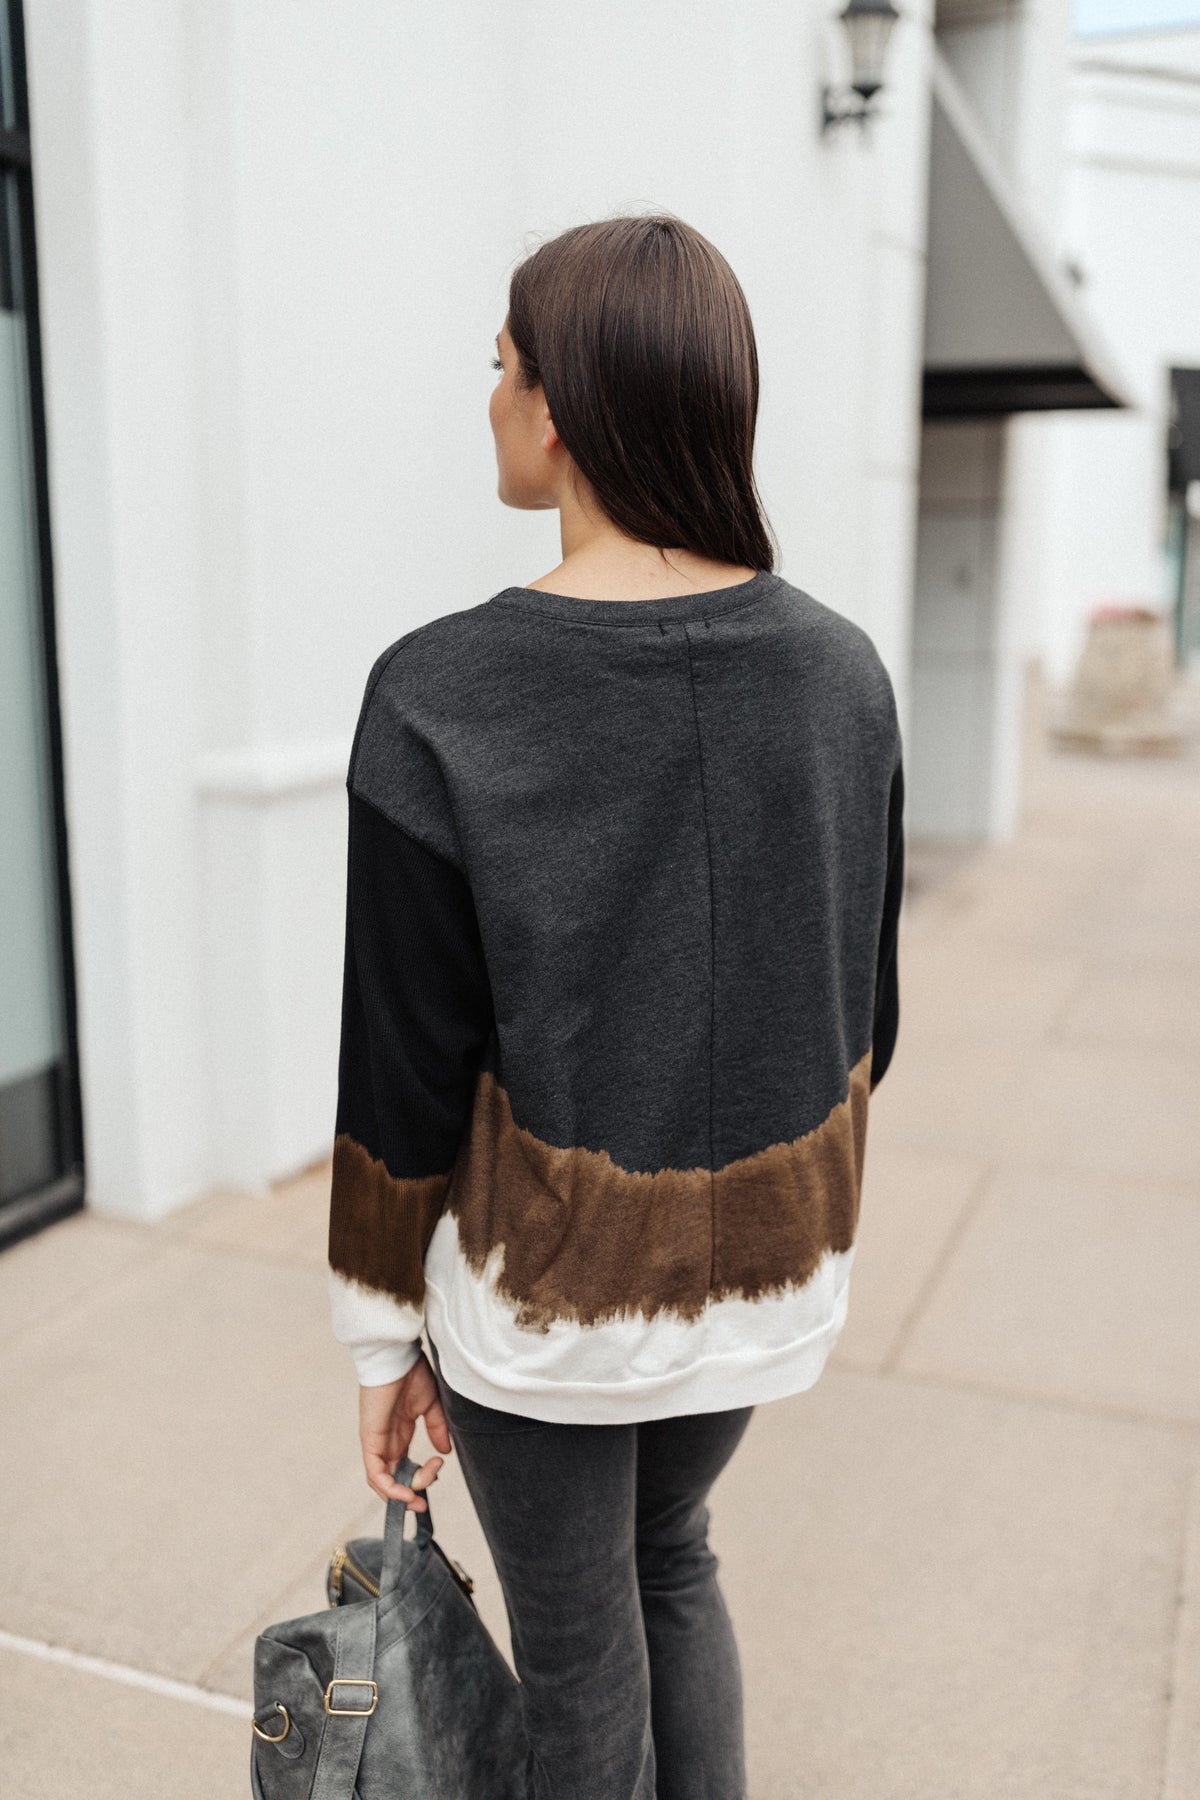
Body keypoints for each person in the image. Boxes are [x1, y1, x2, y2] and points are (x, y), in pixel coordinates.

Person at [325, 213, 905, 1800]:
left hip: (552, 1301)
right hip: (773, 1278)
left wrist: (380, 1337)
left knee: (584, 1662)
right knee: (674, 1560)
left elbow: (403, 1061)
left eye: (501, 365)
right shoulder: (843, 673)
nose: (491, 397)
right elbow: (868, 1008)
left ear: (560, 405)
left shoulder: (443, 693)